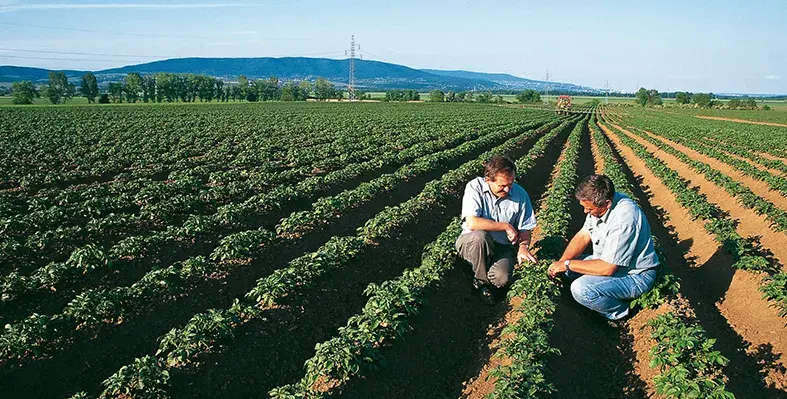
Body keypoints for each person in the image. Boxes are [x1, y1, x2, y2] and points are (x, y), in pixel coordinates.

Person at [547, 174, 658, 324]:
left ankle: (620, 313)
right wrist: (562, 262)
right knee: (567, 269)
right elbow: (583, 236)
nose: (585, 212)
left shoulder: (623, 220)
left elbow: (607, 268)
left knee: (581, 289)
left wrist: (567, 264)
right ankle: (591, 302)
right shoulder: (600, 208)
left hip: (635, 275)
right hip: (609, 262)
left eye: (589, 209)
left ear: (607, 203)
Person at [456, 155, 538, 304]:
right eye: (502, 185)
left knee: (502, 278)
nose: (507, 189)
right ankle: (481, 283)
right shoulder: (475, 187)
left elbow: (525, 228)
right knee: (480, 237)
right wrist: (505, 226)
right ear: (488, 179)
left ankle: (486, 277)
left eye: (511, 184)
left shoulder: (520, 195)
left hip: (501, 247)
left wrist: (523, 247)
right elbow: (472, 223)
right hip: (472, 243)